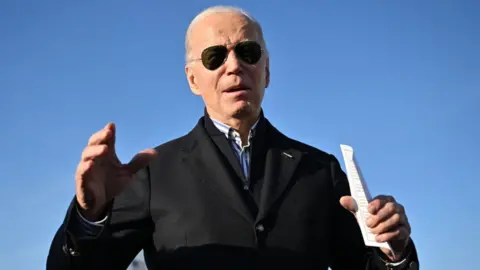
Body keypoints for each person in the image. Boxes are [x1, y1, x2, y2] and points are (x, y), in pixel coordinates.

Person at [46, 5, 419, 270]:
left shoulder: (320, 171)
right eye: (214, 57)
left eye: (248, 51)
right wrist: (89, 216)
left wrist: (395, 253)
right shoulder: (153, 173)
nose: (234, 65)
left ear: (267, 71)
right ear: (193, 79)